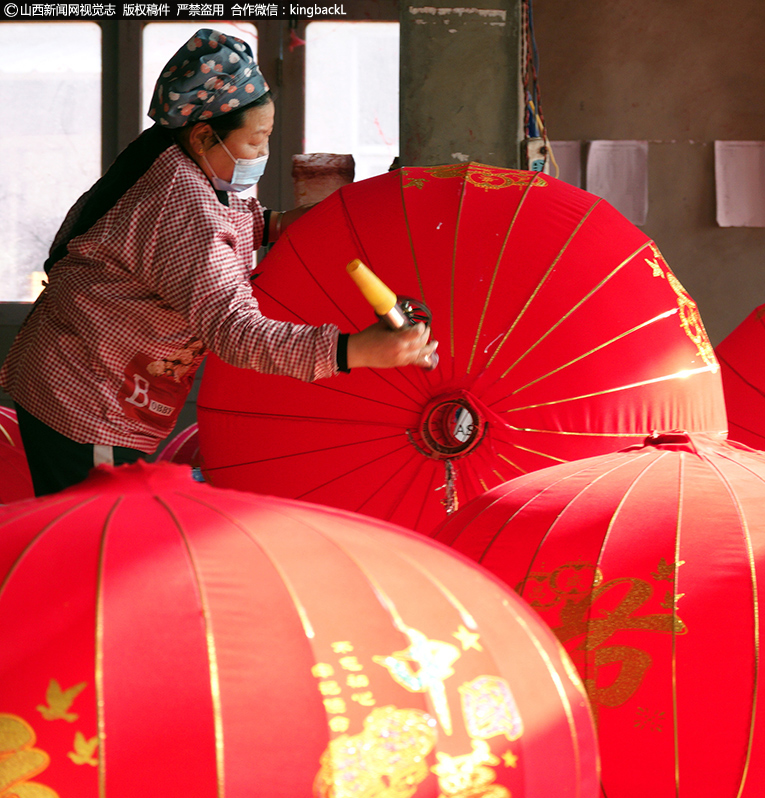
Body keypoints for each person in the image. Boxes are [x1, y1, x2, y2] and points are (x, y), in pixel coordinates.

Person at [0, 29, 437, 496]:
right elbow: (236, 331)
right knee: (99, 539)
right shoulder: (184, 204)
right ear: (205, 134)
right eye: (255, 142)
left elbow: (207, 230)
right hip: (86, 400)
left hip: (74, 373)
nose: (264, 156)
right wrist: (356, 351)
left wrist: (286, 223)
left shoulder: (170, 155)